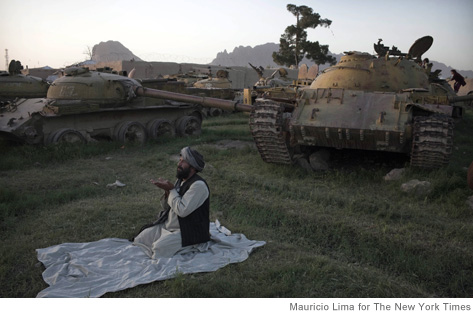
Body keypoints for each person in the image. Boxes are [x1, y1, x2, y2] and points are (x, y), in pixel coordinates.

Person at [132, 146, 210, 258]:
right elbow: (167, 207)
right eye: (180, 160)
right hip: (169, 226)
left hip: (187, 232)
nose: (179, 164)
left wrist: (172, 190)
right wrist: (167, 191)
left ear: (192, 167)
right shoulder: (180, 181)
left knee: (159, 248)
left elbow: (182, 211)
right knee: (140, 239)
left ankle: (193, 246)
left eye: (183, 162)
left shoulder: (198, 186)